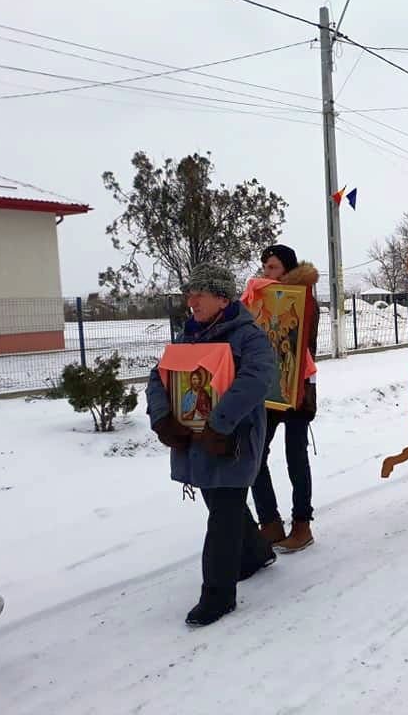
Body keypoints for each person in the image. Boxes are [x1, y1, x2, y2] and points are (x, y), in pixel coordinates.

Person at [147, 264, 276, 627]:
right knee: (222, 503)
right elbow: (158, 377)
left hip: (232, 440)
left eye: (198, 294)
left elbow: (258, 378)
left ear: (222, 297)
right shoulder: (187, 336)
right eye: (190, 294)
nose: (191, 301)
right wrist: (162, 418)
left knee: (223, 510)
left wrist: (219, 424)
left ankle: (217, 597)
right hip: (195, 441)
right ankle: (254, 553)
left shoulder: (248, 336)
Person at [251, 244, 321, 552]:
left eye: (274, 268)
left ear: (288, 270)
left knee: (296, 457)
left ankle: (302, 524)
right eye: (265, 267)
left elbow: (300, 344)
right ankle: (270, 522)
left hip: (296, 389)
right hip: (267, 392)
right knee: (255, 456)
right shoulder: (259, 300)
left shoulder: (304, 300)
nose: (268, 273)